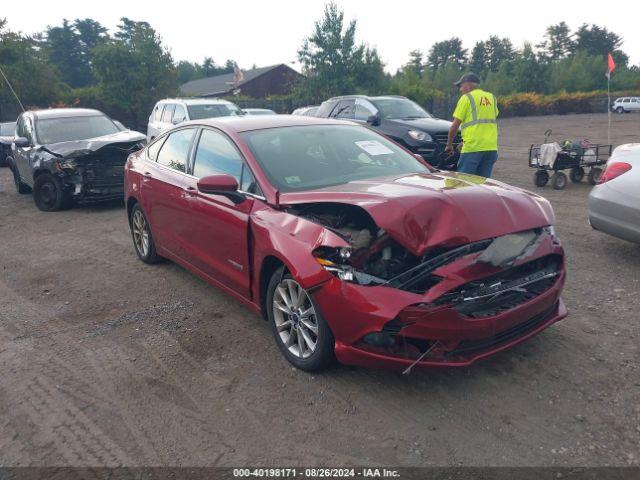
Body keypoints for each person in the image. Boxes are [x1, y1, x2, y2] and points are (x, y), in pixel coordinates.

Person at [445, 72, 499, 178]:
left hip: (473, 148)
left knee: (464, 183)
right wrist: (464, 141)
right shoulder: (491, 98)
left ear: (468, 85)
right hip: (491, 148)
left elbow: (454, 127)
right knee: (483, 184)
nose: (460, 89)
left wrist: (449, 145)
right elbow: (486, 121)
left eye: (461, 86)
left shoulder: (466, 98)